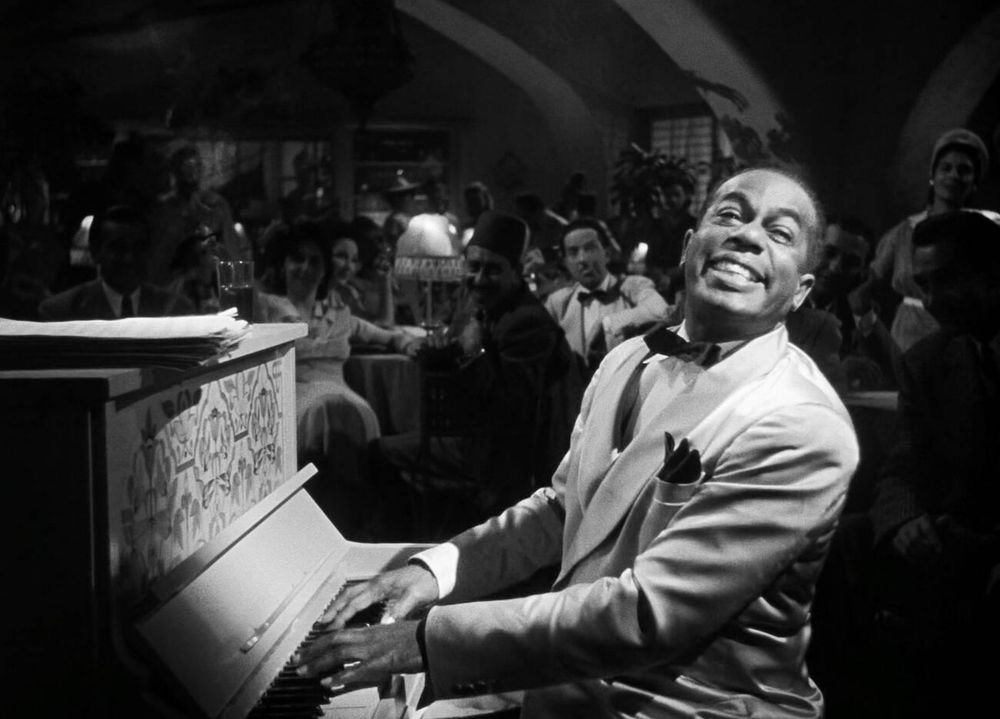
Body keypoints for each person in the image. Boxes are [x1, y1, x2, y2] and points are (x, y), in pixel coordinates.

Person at [294, 167, 860, 719]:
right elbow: (560, 507)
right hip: (569, 680)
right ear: (691, 246)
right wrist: (434, 571)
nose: (748, 235)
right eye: (730, 214)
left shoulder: (801, 424)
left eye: (779, 232)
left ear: (801, 291)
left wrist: (426, 643)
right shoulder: (626, 359)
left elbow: (645, 615)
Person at [861, 209, 1000, 717]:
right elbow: (902, 468)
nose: (935, 299)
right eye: (925, 284)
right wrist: (904, 520)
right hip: (950, 539)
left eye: (950, 279)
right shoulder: (928, 362)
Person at [373, 210, 578, 533]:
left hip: (502, 459)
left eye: (493, 270)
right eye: (474, 267)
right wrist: (433, 351)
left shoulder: (525, 322)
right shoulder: (493, 308)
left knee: (378, 453)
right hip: (479, 441)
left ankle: (395, 539)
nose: (480, 279)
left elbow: (510, 412)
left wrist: (471, 351)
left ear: (516, 272)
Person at [256, 220, 419, 535]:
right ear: (283, 264)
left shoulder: (338, 312)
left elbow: (385, 335)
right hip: (295, 396)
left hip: (343, 393)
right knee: (326, 409)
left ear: (325, 269)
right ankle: (320, 527)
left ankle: (354, 525)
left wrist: (408, 342)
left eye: (314, 260)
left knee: (345, 410)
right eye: (297, 258)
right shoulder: (267, 307)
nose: (305, 267)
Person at [860, 127, 990, 352]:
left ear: (975, 182)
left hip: (965, 336)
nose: (953, 176)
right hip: (910, 336)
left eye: (964, 170)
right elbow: (863, 289)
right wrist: (867, 334)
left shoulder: (982, 232)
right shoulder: (904, 232)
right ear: (933, 176)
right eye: (946, 168)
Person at [545, 217, 672, 375]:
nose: (582, 259)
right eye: (573, 252)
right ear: (565, 262)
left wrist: (609, 324)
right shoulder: (558, 301)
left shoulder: (632, 286)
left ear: (607, 253)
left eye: (590, 248)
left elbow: (662, 311)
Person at [787, 218, 898, 391]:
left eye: (851, 263)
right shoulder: (778, 300)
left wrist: (862, 309)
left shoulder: (856, 310)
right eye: (829, 253)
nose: (835, 268)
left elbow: (897, 372)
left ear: (863, 271)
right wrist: (834, 371)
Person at [39, 205, 194, 320]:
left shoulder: (176, 310)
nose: (129, 258)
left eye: (138, 248)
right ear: (95, 252)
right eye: (118, 248)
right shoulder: (62, 313)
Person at [146, 144, 249, 287]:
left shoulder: (215, 205)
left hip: (211, 289)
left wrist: (241, 287)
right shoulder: (164, 209)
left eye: (196, 167)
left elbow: (233, 253)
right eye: (186, 167)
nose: (192, 173)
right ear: (175, 171)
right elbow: (156, 261)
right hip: (170, 289)